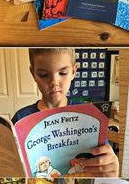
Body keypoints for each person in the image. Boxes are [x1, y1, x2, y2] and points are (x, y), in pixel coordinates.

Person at [12, 48, 119, 177]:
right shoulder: (20, 118)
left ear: (74, 71)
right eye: (43, 75)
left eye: (63, 73)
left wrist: (111, 168)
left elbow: (104, 162)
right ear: (33, 73)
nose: (54, 83)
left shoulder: (89, 116)